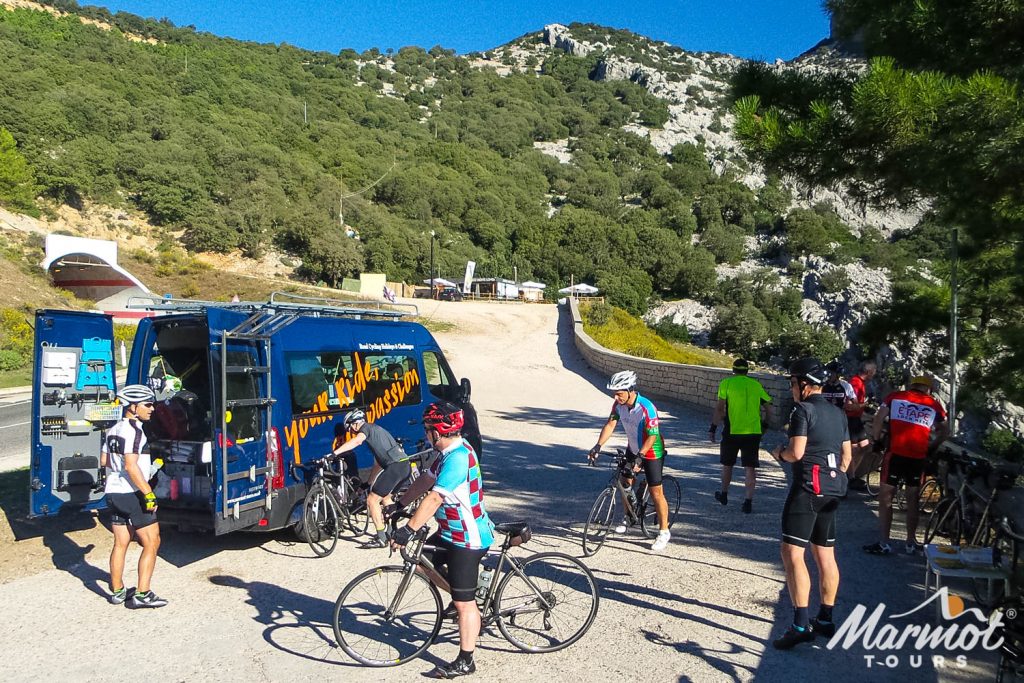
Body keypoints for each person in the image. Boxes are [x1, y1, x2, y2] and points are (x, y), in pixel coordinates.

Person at [391, 402, 494, 679]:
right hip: (450, 533)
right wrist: (400, 504)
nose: (426, 434)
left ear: (438, 432)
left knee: (464, 604)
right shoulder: (445, 453)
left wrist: (409, 529)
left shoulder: (458, 458)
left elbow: (435, 497)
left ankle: (466, 659)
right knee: (421, 561)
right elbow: (426, 480)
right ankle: (466, 594)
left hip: (467, 539)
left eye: (427, 430)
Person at [770, 357, 851, 649]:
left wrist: (780, 452)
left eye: (792, 383)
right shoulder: (838, 413)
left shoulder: (802, 410)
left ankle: (800, 624)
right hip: (833, 490)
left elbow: (796, 452)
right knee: (825, 555)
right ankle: (826, 619)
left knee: (792, 553)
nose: (791, 388)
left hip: (807, 488)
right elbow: (847, 458)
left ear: (804, 385)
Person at [587, 370, 671, 551]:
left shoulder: (646, 407)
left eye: (619, 393)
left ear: (630, 389)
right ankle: (628, 517)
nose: (616, 397)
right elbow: (610, 424)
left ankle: (664, 531)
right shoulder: (618, 405)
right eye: (614, 394)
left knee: (657, 493)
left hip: (651, 452)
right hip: (633, 448)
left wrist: (641, 457)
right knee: (625, 483)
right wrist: (598, 446)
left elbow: (652, 437)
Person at [863, 375, 947, 556]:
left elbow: (878, 419)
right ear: (928, 389)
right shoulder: (933, 404)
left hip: (895, 454)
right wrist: (932, 447)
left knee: (886, 498)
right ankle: (910, 543)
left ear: (912, 386)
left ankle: (884, 543)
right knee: (913, 500)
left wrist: (876, 441)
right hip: (917, 457)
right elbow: (944, 430)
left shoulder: (895, 397)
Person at [100, 384, 167, 608]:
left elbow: (104, 462)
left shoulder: (112, 429)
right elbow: (130, 466)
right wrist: (148, 493)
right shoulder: (135, 431)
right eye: (147, 405)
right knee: (152, 541)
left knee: (121, 542)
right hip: (132, 493)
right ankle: (142, 594)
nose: (152, 409)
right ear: (133, 407)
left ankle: (117, 591)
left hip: (113, 491)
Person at [331, 408, 411, 548]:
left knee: (372, 500)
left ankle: (381, 538)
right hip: (405, 466)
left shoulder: (366, 429)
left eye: (349, 428)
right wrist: (367, 484)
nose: (350, 432)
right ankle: (391, 531)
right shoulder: (376, 430)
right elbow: (378, 464)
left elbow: (356, 442)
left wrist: (335, 453)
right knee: (386, 498)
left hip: (395, 467)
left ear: (355, 423)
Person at [709, 358, 772, 514]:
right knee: (750, 467)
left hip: (732, 431)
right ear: (747, 370)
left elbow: (719, 409)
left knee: (727, 464)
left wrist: (713, 428)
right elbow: (769, 407)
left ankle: (724, 495)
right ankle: (748, 502)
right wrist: (765, 425)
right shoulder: (756, 385)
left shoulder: (726, 384)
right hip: (753, 432)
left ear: (733, 370)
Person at [844, 361, 877, 491]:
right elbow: (849, 405)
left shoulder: (860, 383)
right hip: (850, 419)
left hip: (857, 419)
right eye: (873, 372)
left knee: (864, 446)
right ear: (869, 372)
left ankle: (852, 474)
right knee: (853, 449)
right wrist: (865, 405)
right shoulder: (855, 383)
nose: (874, 375)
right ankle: (849, 477)